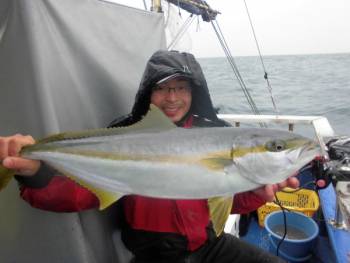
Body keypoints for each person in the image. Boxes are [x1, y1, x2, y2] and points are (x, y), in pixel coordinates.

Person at [0, 50, 298, 262]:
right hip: (154, 255)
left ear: (194, 92)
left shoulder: (212, 135)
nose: (172, 98)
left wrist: (258, 192)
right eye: (162, 88)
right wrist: (36, 173)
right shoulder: (124, 137)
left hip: (209, 246)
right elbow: (77, 196)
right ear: (147, 94)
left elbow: (222, 199)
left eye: (181, 88)